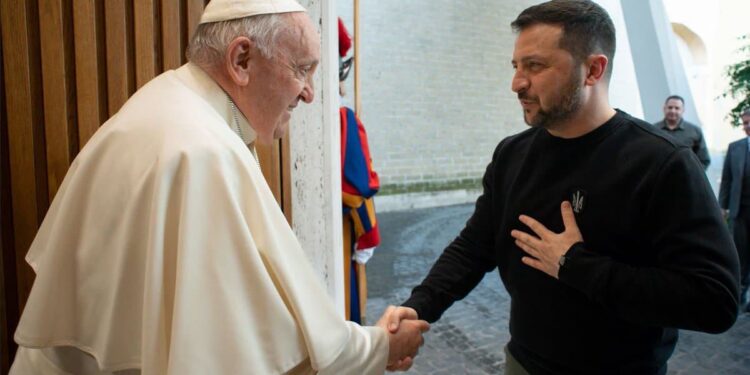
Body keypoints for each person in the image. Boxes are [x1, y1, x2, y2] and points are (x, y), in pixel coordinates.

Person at [9, 1, 428, 374]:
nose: (309, 94)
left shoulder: (167, 103)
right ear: (242, 59)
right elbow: (256, 344)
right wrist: (381, 346)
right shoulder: (202, 151)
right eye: (301, 69)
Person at [398, 1, 739, 374]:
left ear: (593, 69)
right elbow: (475, 247)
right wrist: (418, 307)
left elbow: (715, 301)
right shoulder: (513, 154)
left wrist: (575, 265)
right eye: (516, 66)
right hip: (523, 362)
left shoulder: (662, 163)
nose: (517, 83)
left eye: (535, 66)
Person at [719, 108, 750, 313]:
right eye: (745, 122)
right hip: (740, 211)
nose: (748, 126)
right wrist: (722, 207)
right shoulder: (735, 148)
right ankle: (740, 294)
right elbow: (727, 179)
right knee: (740, 254)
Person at [653, 95, 711, 170]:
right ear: (664, 108)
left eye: (677, 108)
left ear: (683, 110)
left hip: (685, 178)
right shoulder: (653, 130)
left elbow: (704, 160)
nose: (673, 111)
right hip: (658, 179)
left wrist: (692, 176)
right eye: (670, 107)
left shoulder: (695, 131)